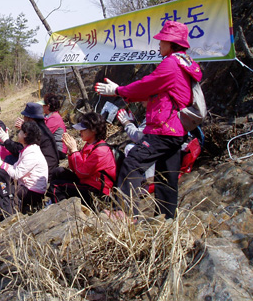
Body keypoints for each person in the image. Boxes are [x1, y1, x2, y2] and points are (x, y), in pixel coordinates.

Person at [95, 20, 203, 219]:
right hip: (177, 130)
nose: (159, 44)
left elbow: (148, 84)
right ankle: (166, 219)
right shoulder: (184, 63)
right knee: (166, 176)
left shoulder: (171, 63)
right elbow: (156, 90)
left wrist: (118, 91)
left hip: (164, 128)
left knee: (132, 162)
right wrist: (123, 91)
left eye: (162, 40)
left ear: (172, 43)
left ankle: (126, 215)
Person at [47, 112, 117, 209]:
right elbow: (75, 168)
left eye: (83, 129)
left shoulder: (101, 151)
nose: (80, 132)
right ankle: (54, 201)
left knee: (57, 186)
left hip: (97, 192)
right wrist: (71, 151)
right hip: (85, 182)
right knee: (58, 172)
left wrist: (75, 150)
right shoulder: (89, 145)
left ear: (94, 130)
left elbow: (82, 172)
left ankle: (61, 211)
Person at [0, 102, 59, 176]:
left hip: (44, 171)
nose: (23, 118)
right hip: (49, 165)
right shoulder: (41, 128)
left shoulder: (36, 132)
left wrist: (6, 140)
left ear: (29, 118)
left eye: (25, 116)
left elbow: (20, 150)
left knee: (9, 160)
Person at [0, 121, 48, 213]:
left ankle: (9, 212)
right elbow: (15, 167)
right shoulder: (28, 149)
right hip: (28, 188)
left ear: (25, 135)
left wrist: (1, 164)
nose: (19, 133)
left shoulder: (32, 152)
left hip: (32, 192)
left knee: (5, 189)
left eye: (21, 131)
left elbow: (16, 174)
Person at [117, 105, 156, 182]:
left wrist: (127, 123)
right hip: (159, 148)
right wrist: (133, 123)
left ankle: (146, 182)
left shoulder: (156, 111)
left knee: (130, 148)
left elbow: (138, 136)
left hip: (155, 151)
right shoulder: (156, 109)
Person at [42, 93, 68, 160]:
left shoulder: (55, 117)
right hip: (52, 147)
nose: (41, 106)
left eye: (43, 105)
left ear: (47, 106)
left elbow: (42, 134)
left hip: (59, 150)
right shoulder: (48, 116)